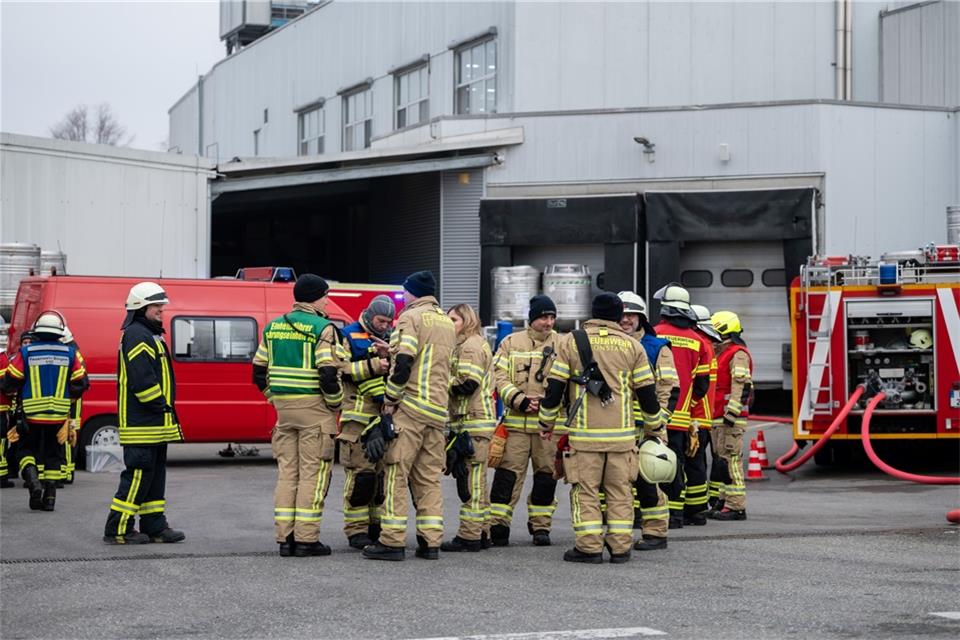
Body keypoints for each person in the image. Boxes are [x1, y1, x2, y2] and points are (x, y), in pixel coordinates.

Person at [538, 293, 663, 564]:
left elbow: (555, 388)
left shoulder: (571, 342)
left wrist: (546, 422)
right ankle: (620, 548)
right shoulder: (633, 346)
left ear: (591, 313)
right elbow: (647, 394)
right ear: (618, 316)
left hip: (585, 439)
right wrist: (655, 427)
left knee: (586, 492)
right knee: (620, 492)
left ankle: (589, 547)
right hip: (622, 438)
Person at [363, 271, 456, 561]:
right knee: (428, 478)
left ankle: (391, 541)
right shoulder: (446, 321)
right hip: (437, 409)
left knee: (396, 473)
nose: (403, 297)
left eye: (404, 292)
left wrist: (390, 399)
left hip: (412, 407)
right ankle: (431, 543)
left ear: (413, 292)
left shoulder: (410, 317)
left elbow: (405, 362)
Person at [253, 274, 343, 557]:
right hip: (315, 410)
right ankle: (306, 540)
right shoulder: (323, 328)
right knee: (312, 476)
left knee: (287, 475)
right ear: (316, 297)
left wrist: (274, 398)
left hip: (284, 412)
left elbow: (258, 373)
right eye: (325, 296)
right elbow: (328, 373)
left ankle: (285, 539)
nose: (327, 301)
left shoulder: (273, 327)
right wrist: (335, 404)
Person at [103, 282, 185, 544]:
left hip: (154, 423)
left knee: (154, 475)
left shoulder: (150, 334)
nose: (162, 309)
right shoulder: (137, 334)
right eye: (156, 305)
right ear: (141, 307)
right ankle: (118, 529)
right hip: (142, 422)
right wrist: (159, 403)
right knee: (138, 474)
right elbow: (142, 381)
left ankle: (155, 526)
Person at [488, 295, 562, 547]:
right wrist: (519, 399)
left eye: (552, 317)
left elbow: (570, 381)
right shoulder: (510, 342)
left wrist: (548, 403)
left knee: (545, 478)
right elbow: (498, 376)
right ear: (532, 318)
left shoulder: (563, 344)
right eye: (543, 317)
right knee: (507, 477)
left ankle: (541, 527)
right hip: (516, 425)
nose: (548, 322)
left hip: (548, 428)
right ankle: (498, 525)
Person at [3, 312, 88, 511]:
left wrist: (17, 391)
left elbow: (11, 380)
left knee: (25, 450)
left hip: (31, 414)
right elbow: (82, 382)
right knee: (53, 454)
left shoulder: (27, 352)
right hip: (58, 415)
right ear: (59, 333)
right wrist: (67, 397)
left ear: (37, 332)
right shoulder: (69, 353)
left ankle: (33, 482)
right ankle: (50, 498)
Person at [617, 291, 678, 551]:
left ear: (641, 317)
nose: (625, 319)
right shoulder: (609, 345)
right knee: (616, 483)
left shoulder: (657, 347)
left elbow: (670, 389)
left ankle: (655, 534)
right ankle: (618, 533)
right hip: (616, 429)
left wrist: (658, 424)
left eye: (631, 314)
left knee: (648, 482)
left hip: (646, 428)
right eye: (621, 314)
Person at [337, 295, 395, 550]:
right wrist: (375, 365)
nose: (385, 326)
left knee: (380, 477)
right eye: (381, 321)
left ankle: (376, 526)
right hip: (357, 421)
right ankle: (356, 531)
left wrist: (390, 356)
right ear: (370, 315)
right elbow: (340, 369)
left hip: (383, 419)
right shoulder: (347, 335)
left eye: (388, 322)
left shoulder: (391, 339)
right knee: (361, 477)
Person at [652, 284, 712, 529]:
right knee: (679, 464)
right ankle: (680, 514)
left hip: (654, 415)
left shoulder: (653, 334)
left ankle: (663, 513)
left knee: (653, 463)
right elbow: (702, 385)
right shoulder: (699, 342)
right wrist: (687, 405)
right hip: (682, 418)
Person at [441, 303, 496, 552]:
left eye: (454, 320)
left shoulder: (470, 346)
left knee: (471, 481)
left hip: (473, 421)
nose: (449, 324)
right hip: (472, 421)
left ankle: (469, 536)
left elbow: (467, 384)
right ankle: (482, 532)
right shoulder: (465, 344)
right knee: (479, 481)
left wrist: (438, 379)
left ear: (468, 321)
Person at [707, 311, 753, 521]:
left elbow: (742, 386)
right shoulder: (721, 353)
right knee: (722, 462)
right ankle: (724, 501)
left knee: (731, 461)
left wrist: (731, 414)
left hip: (729, 419)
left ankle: (736, 506)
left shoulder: (737, 354)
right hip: (718, 418)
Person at [684, 304, 720, 525]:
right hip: (704, 417)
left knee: (693, 465)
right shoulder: (708, 345)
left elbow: (698, 385)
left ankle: (695, 510)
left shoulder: (700, 346)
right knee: (698, 465)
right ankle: (698, 507)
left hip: (695, 416)